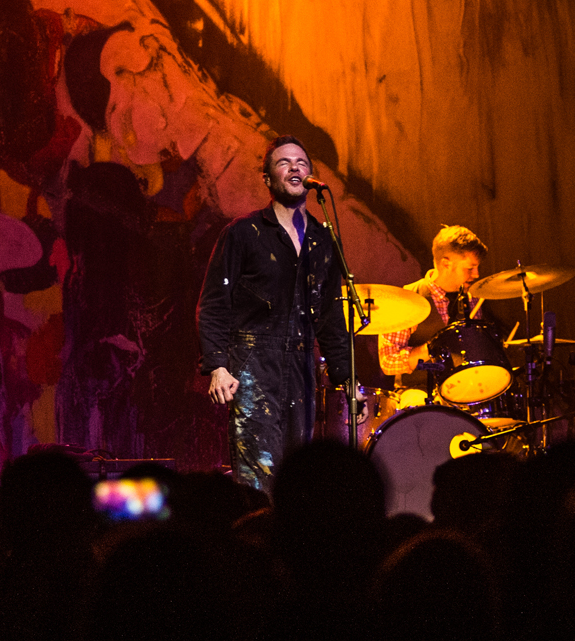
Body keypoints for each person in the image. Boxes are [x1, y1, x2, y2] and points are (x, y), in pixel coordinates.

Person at [197, 136, 353, 491]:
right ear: (268, 179)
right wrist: (218, 366)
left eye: (301, 162)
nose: (295, 167)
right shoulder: (244, 233)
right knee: (257, 476)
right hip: (254, 364)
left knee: (298, 479)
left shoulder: (323, 239)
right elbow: (213, 303)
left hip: (302, 365)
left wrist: (347, 380)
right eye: (284, 162)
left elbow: (330, 316)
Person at [376, 225, 491, 392]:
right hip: (419, 391)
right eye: (470, 268)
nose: (477, 275)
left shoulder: (472, 299)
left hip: (465, 387)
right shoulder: (406, 299)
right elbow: (388, 362)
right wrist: (429, 348)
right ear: (446, 264)